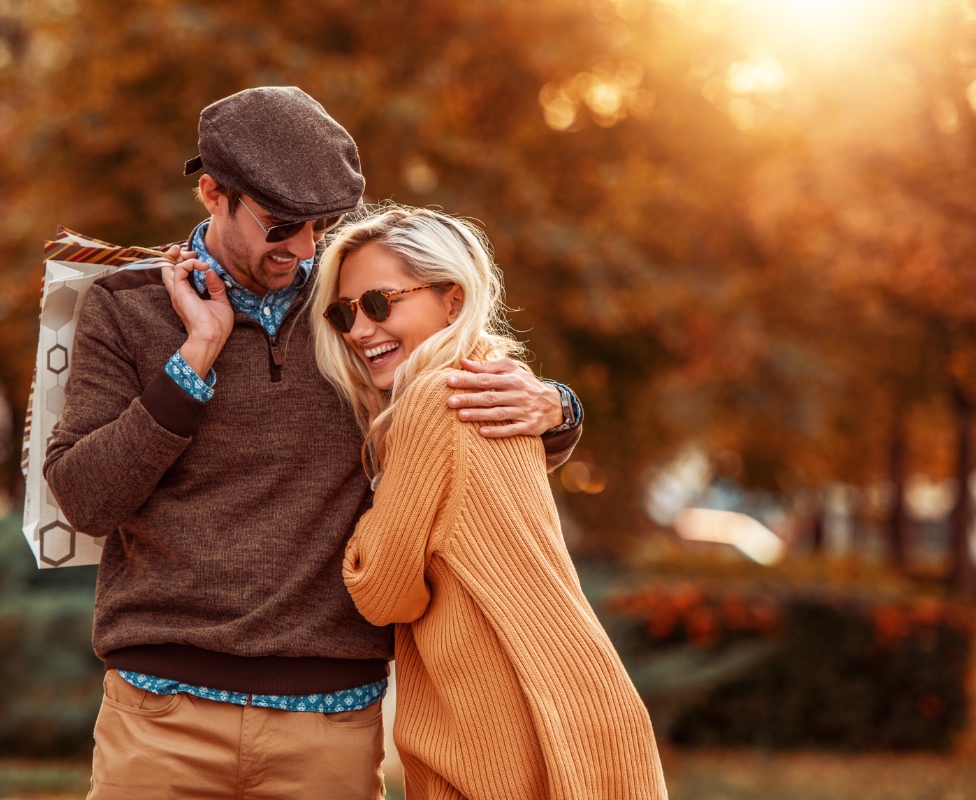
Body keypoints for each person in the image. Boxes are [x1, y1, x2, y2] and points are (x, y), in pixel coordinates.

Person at [43, 87, 583, 800]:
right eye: (281, 225)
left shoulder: (354, 308)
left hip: (329, 727)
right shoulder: (126, 306)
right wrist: (194, 359)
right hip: (159, 717)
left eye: (319, 225)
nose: (302, 249)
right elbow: (85, 497)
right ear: (213, 193)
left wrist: (556, 407)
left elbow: (456, 413)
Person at [311, 207, 667, 800]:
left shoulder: (432, 398)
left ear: (453, 299)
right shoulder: (499, 382)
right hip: (572, 707)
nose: (358, 330)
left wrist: (361, 524)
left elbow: (381, 589)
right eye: (344, 312)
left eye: (380, 303)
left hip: (509, 735)